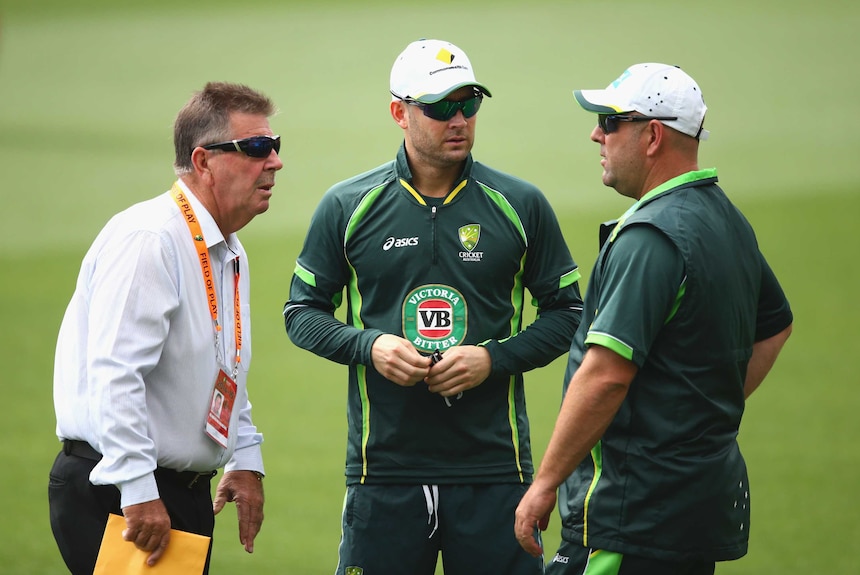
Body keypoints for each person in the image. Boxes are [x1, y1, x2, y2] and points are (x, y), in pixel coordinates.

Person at [283, 39, 583, 574]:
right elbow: (301, 311)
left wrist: (495, 358)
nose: (459, 119)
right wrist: (367, 345)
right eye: (440, 107)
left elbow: (569, 314)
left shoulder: (520, 204)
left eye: (469, 103)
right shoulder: (348, 205)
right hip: (384, 474)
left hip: (496, 471)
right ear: (399, 112)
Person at [514, 63, 794, 574]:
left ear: (653, 136)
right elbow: (775, 326)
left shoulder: (650, 237)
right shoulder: (727, 220)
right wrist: (697, 413)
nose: (596, 133)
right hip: (696, 512)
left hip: (631, 517)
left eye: (611, 121)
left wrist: (545, 483)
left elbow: (605, 375)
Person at [49, 81, 283, 575]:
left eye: (275, 146)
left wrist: (243, 454)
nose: (275, 162)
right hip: (123, 492)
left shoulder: (228, 246)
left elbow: (220, 364)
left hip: (177, 493)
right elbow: (115, 373)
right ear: (203, 162)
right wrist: (137, 491)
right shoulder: (149, 239)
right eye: (257, 147)